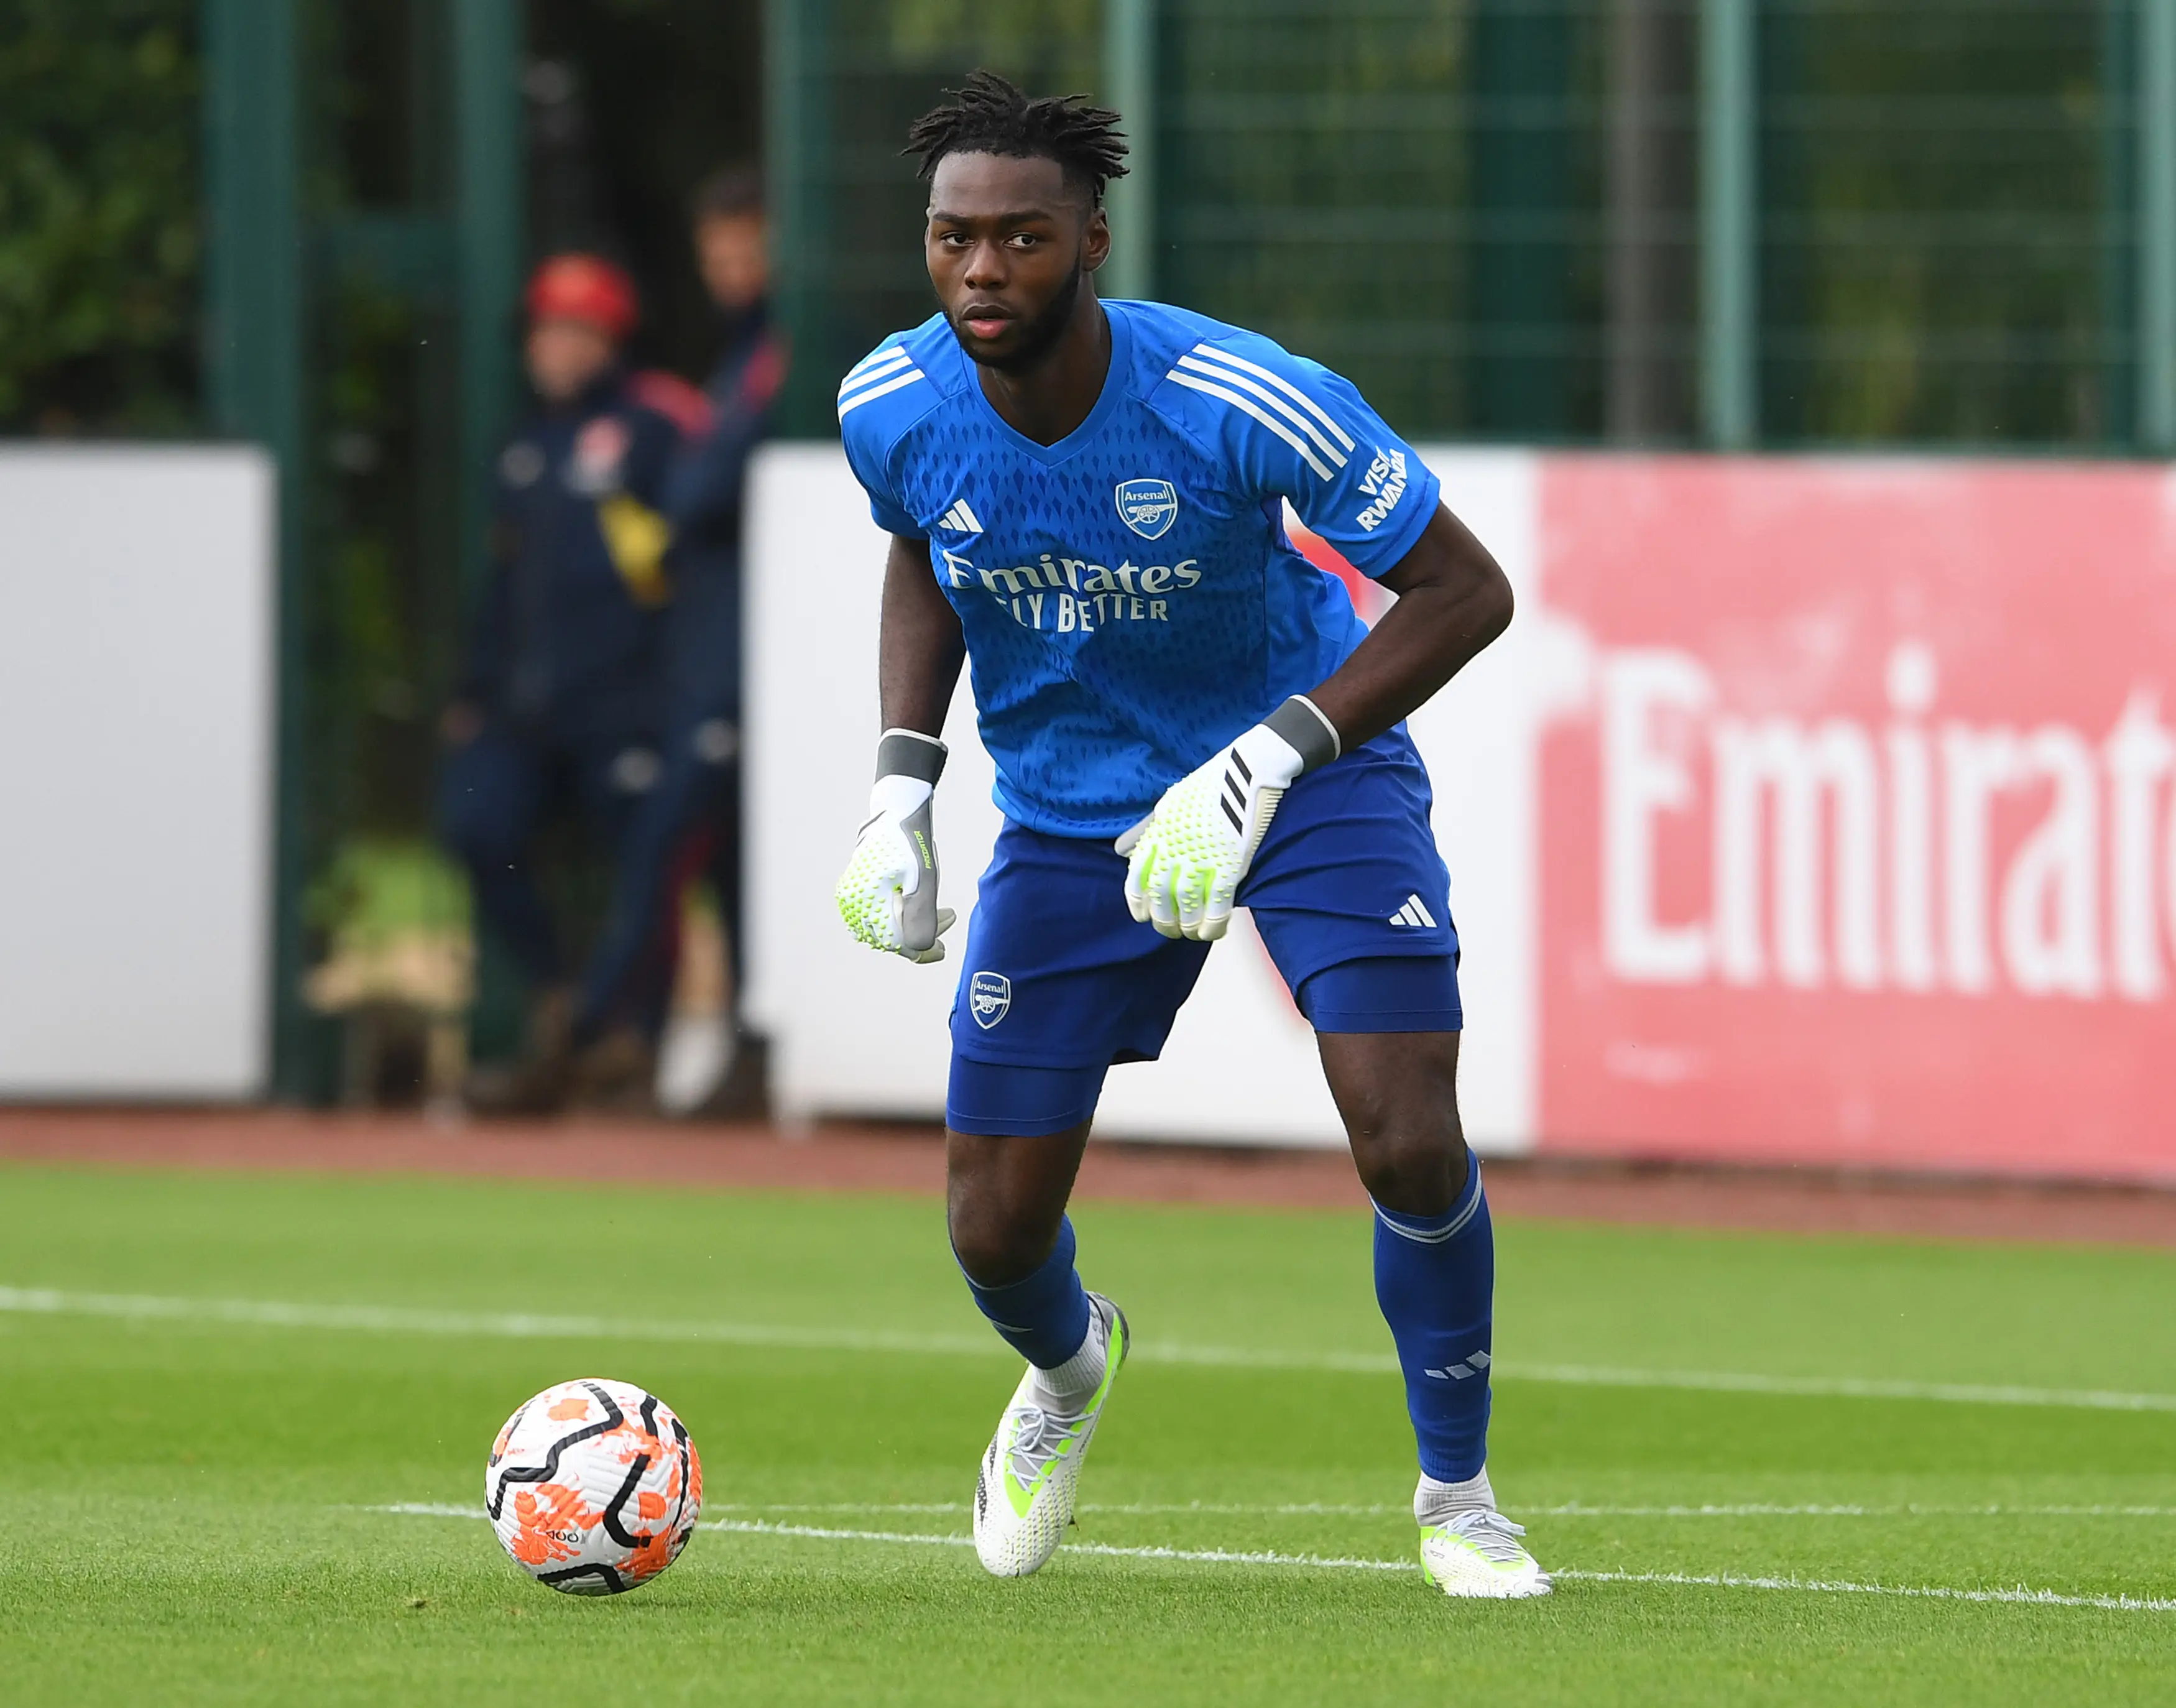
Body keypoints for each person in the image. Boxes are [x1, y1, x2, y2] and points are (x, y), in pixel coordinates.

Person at [830, 72, 1544, 1597]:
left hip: (1303, 779)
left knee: (1408, 1130)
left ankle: (1461, 1496)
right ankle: (1072, 1372)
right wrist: (902, 785)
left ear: (1091, 239)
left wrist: (1269, 758)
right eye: (953, 239)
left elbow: (1464, 590)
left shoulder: (1233, 396)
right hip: (1069, 819)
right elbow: (925, 550)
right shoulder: (889, 403)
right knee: (991, 1224)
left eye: (1021, 240)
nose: (979, 273)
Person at [439, 252, 708, 1114]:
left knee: (643, 865)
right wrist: (473, 689)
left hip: (629, 703)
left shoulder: (655, 422)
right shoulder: (524, 442)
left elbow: (687, 565)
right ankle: (557, 998)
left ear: (609, 337)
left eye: (574, 328)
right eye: (545, 327)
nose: (554, 346)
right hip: (524, 710)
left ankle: (630, 1046)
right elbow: (500, 580)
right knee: (476, 824)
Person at [614, 164, 786, 1116]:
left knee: (673, 836)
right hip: (716, 649)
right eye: (715, 256)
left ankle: (608, 1033)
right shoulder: (741, 357)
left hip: (746, 655)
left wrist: (682, 498)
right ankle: (744, 1051)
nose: (729, 272)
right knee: (724, 857)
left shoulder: (778, 355)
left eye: (745, 252)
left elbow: (704, 488)